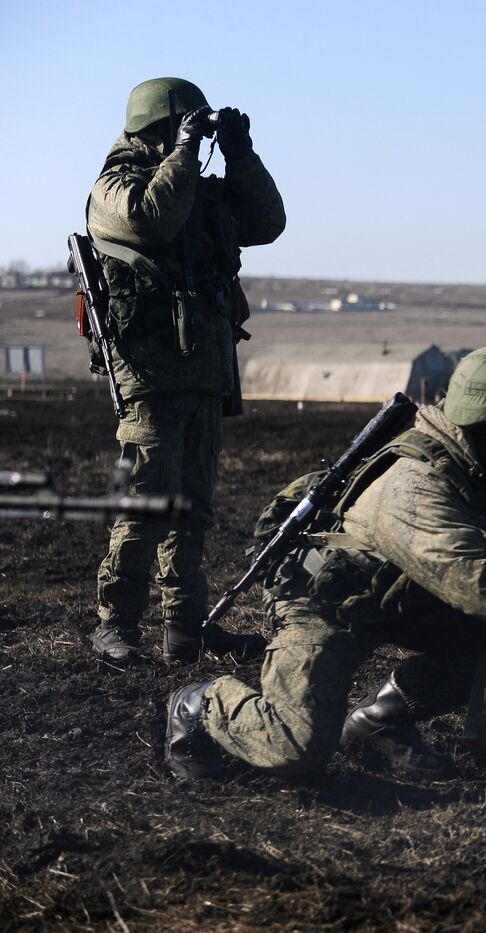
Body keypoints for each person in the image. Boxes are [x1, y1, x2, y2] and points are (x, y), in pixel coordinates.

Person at [165, 347, 486, 781]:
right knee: (295, 747)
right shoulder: (415, 486)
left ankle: (383, 721)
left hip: (411, 595)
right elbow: (480, 584)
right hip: (330, 604)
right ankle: (199, 704)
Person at [88, 77, 285, 664]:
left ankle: (185, 628)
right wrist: (181, 152)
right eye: (179, 131)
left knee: (193, 508)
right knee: (144, 503)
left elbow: (268, 222)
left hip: (203, 370)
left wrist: (240, 153)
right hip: (149, 375)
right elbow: (152, 221)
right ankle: (115, 625)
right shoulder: (114, 188)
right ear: (154, 132)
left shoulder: (200, 189)